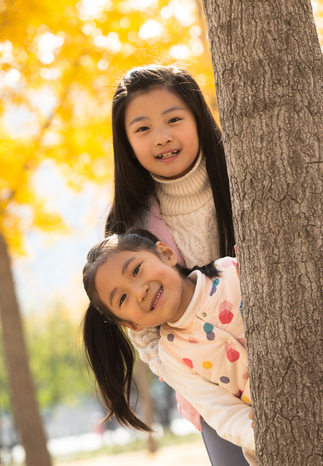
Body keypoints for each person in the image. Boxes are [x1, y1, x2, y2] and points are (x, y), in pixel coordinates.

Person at [103, 64, 247, 465]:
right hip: (212, 388)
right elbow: (146, 339)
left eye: (174, 120)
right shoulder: (130, 227)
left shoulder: (246, 180)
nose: (162, 137)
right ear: (127, 142)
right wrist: (194, 379)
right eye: (143, 128)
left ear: (198, 119)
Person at [81, 230, 256, 465]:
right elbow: (221, 411)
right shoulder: (173, 356)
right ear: (132, 324)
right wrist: (261, 432)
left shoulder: (231, 272)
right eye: (122, 299)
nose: (139, 291)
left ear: (166, 254)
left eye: (136, 270)